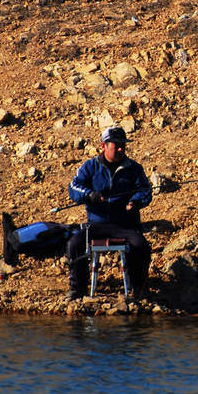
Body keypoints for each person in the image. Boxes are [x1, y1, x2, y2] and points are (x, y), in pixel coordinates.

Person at [65, 126, 153, 300]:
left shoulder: (134, 168)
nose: (121, 149)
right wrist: (90, 195)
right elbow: (73, 188)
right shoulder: (90, 166)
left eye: (123, 145)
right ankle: (78, 288)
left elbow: (145, 191)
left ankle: (139, 287)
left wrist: (135, 202)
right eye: (116, 145)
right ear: (103, 146)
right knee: (74, 244)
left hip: (125, 225)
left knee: (141, 246)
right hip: (96, 225)